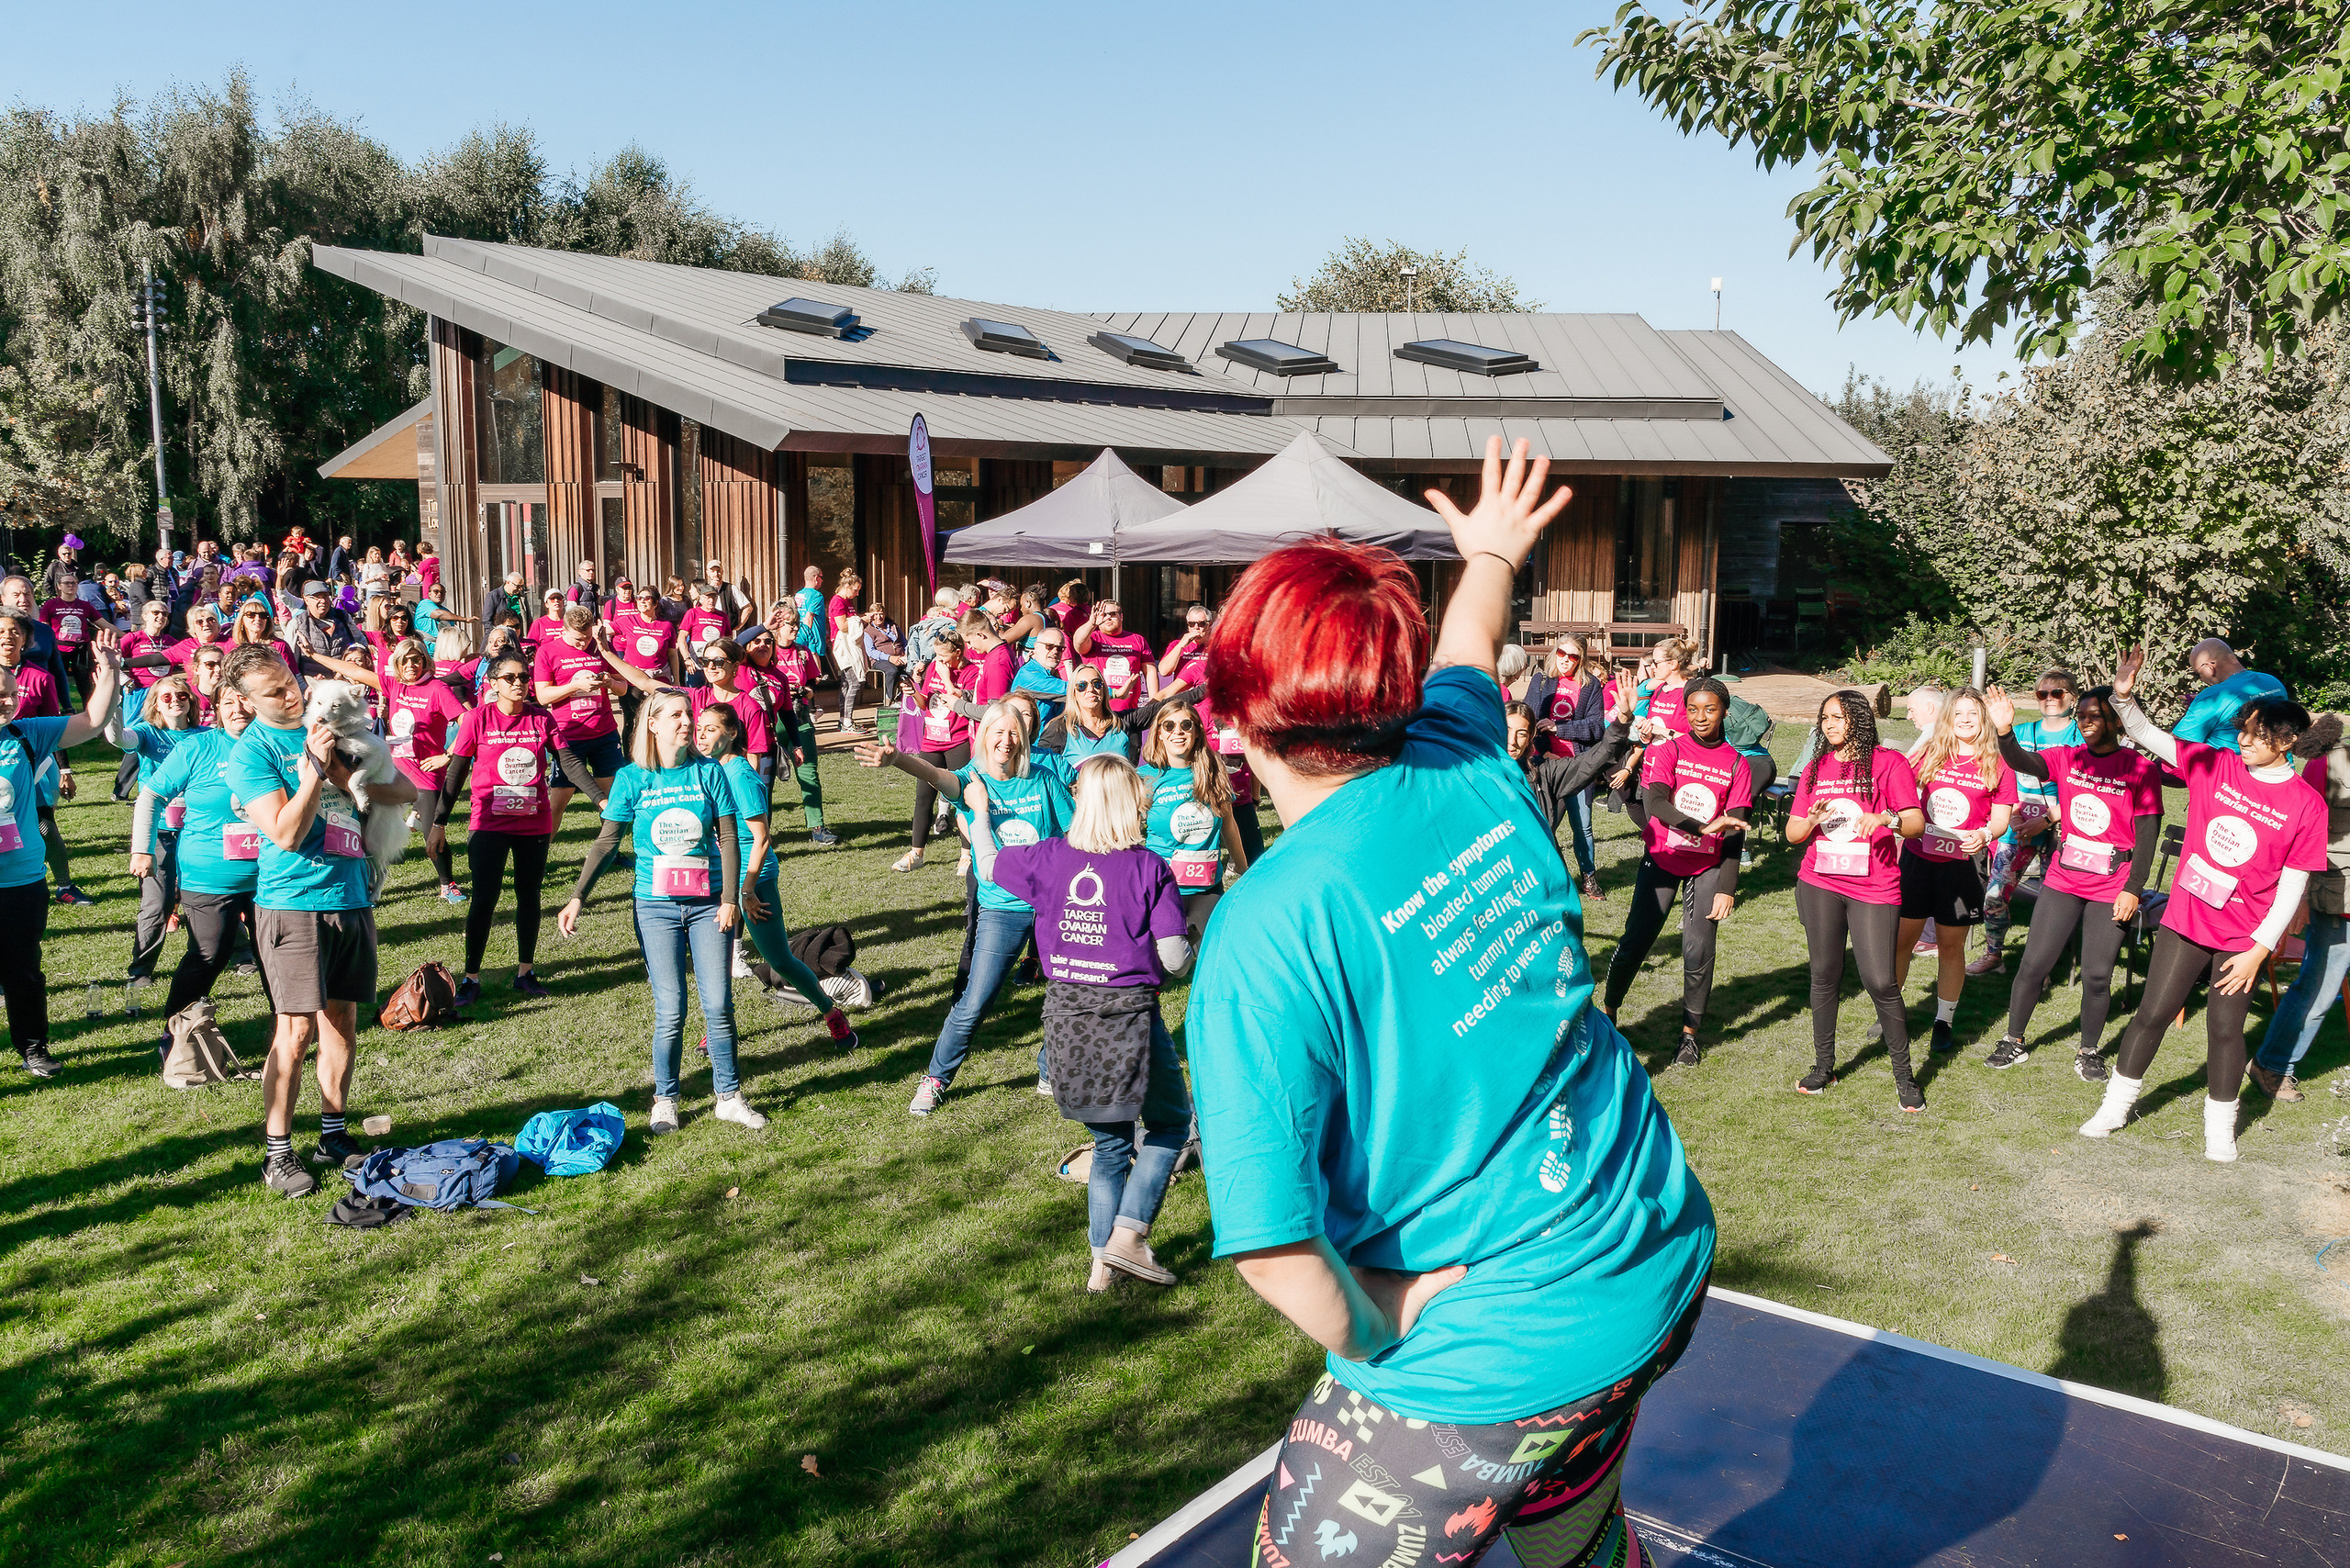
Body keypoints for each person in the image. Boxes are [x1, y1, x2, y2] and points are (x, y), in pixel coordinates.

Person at [1187, 440, 1713, 1568]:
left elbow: (1277, 1252)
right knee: (1570, 1539)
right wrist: (1486, 550)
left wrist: (1390, 1312)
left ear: (1235, 718)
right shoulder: (1461, 746)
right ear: (1391, 690)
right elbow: (1471, 638)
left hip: (1504, 1343)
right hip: (1651, 1245)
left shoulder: (1263, 932)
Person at [2083, 648, 2324, 1161]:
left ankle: (2220, 1130)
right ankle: (2114, 1107)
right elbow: (2152, 738)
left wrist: (2260, 950)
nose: (2241, 740)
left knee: (2224, 1030)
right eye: (2242, 730)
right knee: (2152, 1013)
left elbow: (2292, 885)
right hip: (2188, 918)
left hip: (2244, 937)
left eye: (2255, 734)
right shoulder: (2216, 765)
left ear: (2284, 741)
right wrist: (2124, 700)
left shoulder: (2306, 804)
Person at [975, 752, 1193, 1289]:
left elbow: (987, 865)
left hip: (1065, 1017)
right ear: (1129, 805)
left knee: (1111, 1144)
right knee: (1171, 1125)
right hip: (1129, 1020)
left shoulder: (1047, 858)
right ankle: (1130, 1236)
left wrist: (978, 816)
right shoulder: (1149, 868)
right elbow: (1172, 959)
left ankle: (1101, 1268)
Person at [224, 643, 415, 1194]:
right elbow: (283, 831)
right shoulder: (252, 752)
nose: (291, 695)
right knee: (296, 1028)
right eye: (274, 691)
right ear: (245, 701)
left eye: (290, 681)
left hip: (350, 893)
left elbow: (403, 789)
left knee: (343, 1020)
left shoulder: (336, 727)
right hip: (293, 901)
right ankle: (278, 1153)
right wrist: (314, 769)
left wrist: (343, 776)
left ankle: (333, 1132)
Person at [859, 699, 1071, 1114]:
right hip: (1001, 909)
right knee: (975, 1001)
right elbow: (936, 774)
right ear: (984, 737)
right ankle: (936, 1078)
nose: (1006, 741)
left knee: (1067, 992)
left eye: (1014, 733)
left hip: (1051, 905)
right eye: (998, 732)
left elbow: (1073, 829)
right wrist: (899, 759)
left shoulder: (1043, 778)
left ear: (1024, 738)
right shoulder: (972, 782)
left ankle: (1049, 1068)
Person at [557, 689, 749, 1135]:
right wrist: (578, 896)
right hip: (655, 908)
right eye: (677, 716)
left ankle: (730, 1096)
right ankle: (666, 1099)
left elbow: (729, 837)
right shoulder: (631, 778)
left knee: (718, 1004)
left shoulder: (709, 773)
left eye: (690, 714)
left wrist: (728, 901)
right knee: (671, 1008)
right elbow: (607, 842)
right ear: (653, 724)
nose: (688, 722)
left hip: (708, 907)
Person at [1981, 682, 2163, 1080]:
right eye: (2080, 716)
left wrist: (2133, 888)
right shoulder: (2067, 757)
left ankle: (2088, 1050)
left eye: (2094, 716)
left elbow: (2148, 833)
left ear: (2116, 720)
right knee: (2033, 964)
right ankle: (2014, 1040)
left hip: (2111, 884)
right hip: (2064, 879)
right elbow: (2021, 761)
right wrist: (2005, 731)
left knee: (2098, 974)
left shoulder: (2139, 769)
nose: (2085, 722)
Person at [1601, 676, 1755, 1067]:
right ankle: (1610, 1011)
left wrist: (1728, 887)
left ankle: (1689, 1036)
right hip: (1663, 858)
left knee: (1698, 948)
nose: (1700, 717)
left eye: (1710, 709)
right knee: (1637, 939)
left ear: (1724, 712)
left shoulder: (1737, 764)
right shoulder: (1672, 749)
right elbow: (1654, 803)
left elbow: (1735, 831)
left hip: (1707, 866)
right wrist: (1701, 826)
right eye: (1693, 709)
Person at [1785, 689, 1928, 1105]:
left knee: (1881, 982)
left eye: (1839, 717)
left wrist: (1886, 818)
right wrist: (1810, 820)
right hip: (1819, 883)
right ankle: (1823, 1067)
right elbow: (1794, 833)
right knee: (1824, 976)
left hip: (1874, 887)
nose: (1830, 724)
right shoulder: (1816, 768)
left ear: (1860, 721)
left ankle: (1905, 1079)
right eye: (1825, 717)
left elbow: (1916, 823)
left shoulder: (1888, 763)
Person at [692, 700, 860, 1045]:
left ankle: (830, 1012)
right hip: (721, 877)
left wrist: (747, 891)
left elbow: (762, 839)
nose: (702, 735)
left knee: (779, 959)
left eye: (711, 729)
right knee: (715, 959)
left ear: (732, 732)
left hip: (753, 880)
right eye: (700, 729)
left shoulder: (740, 776)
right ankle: (718, 1028)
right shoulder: (710, 770)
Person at [1, 628, 121, 1077]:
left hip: (22, 878)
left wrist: (107, 671)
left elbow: (91, 721)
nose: (9, 701)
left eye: (12, 694)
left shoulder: (27, 734)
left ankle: (33, 1047)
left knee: (24, 971)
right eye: (0, 695)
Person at [1890, 688, 2016, 1056]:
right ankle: (1892, 1016)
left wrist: (1983, 834)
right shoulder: (1930, 754)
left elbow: (2000, 820)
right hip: (1917, 860)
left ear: (1984, 720)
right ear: (1948, 718)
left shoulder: (1998, 764)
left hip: (1963, 868)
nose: (1964, 720)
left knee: (1950, 946)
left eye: (1973, 714)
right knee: (1902, 942)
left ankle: (1943, 1021)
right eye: (1958, 713)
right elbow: (1902, 792)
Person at [430, 647, 558, 1005]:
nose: (519, 683)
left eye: (523, 677)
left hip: (534, 823)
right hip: (488, 822)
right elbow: (455, 772)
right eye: (510, 678)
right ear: (493, 683)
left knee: (528, 896)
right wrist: (439, 822)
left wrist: (599, 799)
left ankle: (525, 973)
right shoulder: (477, 719)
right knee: (484, 899)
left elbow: (571, 762)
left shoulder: (542, 718)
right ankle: (471, 978)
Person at [307, 639, 469, 902]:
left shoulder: (437, 688)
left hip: (426, 771)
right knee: (363, 824)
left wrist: (447, 755)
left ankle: (446, 883)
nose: (411, 665)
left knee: (433, 833)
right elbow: (355, 672)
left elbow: (467, 721)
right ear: (397, 664)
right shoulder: (394, 685)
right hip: (392, 766)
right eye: (404, 660)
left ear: (425, 661)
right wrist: (315, 655)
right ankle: (367, 878)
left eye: (416, 659)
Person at [2250, 712, 2350, 1101]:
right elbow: (2299, 833)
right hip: (2337, 897)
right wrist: (2302, 899)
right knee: (2319, 988)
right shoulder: (2330, 761)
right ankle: (2272, 1065)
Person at [1975, 670, 2083, 977]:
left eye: (2057, 693)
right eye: (2042, 694)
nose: (2050, 699)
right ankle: (1993, 955)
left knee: (2051, 903)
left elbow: (2085, 791)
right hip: (2017, 826)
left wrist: (2047, 820)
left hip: (2061, 830)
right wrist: (2015, 814)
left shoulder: (2080, 737)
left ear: (2072, 697)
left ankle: (2040, 966)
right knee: (1995, 894)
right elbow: (2002, 779)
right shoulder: (2018, 733)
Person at [106, 671, 201, 984]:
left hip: (199, 830)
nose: (175, 701)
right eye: (167, 697)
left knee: (210, 897)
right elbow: (119, 738)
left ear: (191, 702)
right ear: (156, 704)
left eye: (182, 696)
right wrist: (115, 703)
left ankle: (240, 956)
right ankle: (141, 970)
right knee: (156, 903)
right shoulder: (148, 733)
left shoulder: (205, 736)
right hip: (158, 830)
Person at [1136, 698, 1251, 938]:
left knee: (1208, 958)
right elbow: (1131, 834)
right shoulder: (1144, 778)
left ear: (1197, 733)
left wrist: (1242, 867)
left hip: (1207, 887)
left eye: (1186, 725)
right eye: (1169, 726)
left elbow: (1229, 824)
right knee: (1171, 963)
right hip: (1162, 887)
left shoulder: (1213, 771)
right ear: (1158, 734)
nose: (1178, 732)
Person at [1524, 639, 1610, 898]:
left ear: (1580, 659)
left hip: (1577, 765)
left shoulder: (1590, 685)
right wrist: (1543, 751)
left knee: (1582, 825)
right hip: (1546, 765)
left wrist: (1559, 728)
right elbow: (1529, 719)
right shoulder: (1541, 680)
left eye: (1573, 656)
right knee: (1543, 824)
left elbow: (1597, 727)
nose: (1565, 659)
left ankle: (1589, 878)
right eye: (1561, 652)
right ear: (1554, 652)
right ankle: (1540, 878)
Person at [740, 623, 837, 848]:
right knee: (746, 789)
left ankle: (774, 836)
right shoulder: (741, 667)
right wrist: (763, 626)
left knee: (767, 788)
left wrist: (795, 744)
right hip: (742, 743)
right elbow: (735, 644)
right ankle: (743, 838)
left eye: (767, 641)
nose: (763, 645)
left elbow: (787, 712)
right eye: (757, 641)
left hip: (773, 735)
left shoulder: (781, 674)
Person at [533, 603, 626, 824]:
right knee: (558, 800)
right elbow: (543, 696)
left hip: (604, 733)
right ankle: (541, 855)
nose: (584, 643)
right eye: (578, 640)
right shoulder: (548, 651)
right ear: (563, 630)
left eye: (586, 637)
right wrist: (576, 686)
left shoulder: (600, 647)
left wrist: (609, 682)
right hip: (568, 736)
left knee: (610, 799)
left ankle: (611, 854)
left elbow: (623, 687)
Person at [892, 627, 972, 872]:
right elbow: (925, 702)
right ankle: (916, 854)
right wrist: (913, 692)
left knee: (963, 800)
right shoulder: (933, 669)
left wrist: (947, 677)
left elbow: (960, 703)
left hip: (958, 740)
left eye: (944, 656)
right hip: (932, 739)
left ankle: (967, 855)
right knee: (923, 797)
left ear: (958, 652)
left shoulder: (970, 672)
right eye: (936, 656)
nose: (939, 661)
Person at [2171, 637, 2288, 754]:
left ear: (2209, 667)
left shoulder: (2214, 696)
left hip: (2234, 769)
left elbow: (2178, 745)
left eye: (2198, 674)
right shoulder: (2272, 681)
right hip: (2280, 766)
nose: (2201, 679)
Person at [1073, 599, 1153, 714]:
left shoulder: (1137, 639)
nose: (1108, 617)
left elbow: (1150, 671)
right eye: (1103, 614)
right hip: (1096, 711)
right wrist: (1092, 623)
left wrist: (1154, 702)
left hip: (1130, 712)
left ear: (1121, 617)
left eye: (1112, 614)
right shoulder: (1093, 638)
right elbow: (1078, 644)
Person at [1010, 624, 1070, 724]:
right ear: (1036, 647)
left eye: (1060, 648)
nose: (1055, 651)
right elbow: (1067, 689)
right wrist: (1101, 689)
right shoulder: (1028, 675)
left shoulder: (1051, 673)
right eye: (1049, 646)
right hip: (1031, 739)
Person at [834, 604, 871, 734]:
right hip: (846, 649)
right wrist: (861, 620)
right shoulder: (838, 601)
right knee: (854, 684)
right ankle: (847, 723)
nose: (857, 593)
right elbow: (843, 626)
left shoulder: (847, 602)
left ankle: (843, 720)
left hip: (851, 649)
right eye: (855, 589)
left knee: (846, 686)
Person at [862, 604, 907, 710]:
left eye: (881, 614)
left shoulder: (893, 626)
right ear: (871, 616)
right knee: (892, 670)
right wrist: (890, 658)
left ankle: (903, 697)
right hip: (880, 660)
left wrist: (906, 655)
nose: (879, 617)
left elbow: (904, 642)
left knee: (912, 667)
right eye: (876, 614)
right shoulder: (868, 631)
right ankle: (889, 699)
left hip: (900, 657)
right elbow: (871, 652)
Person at [792, 566, 830, 661]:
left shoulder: (798, 594)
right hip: (813, 636)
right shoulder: (817, 595)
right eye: (821, 577)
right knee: (814, 662)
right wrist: (808, 637)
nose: (822, 581)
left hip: (798, 634)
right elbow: (809, 616)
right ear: (816, 578)